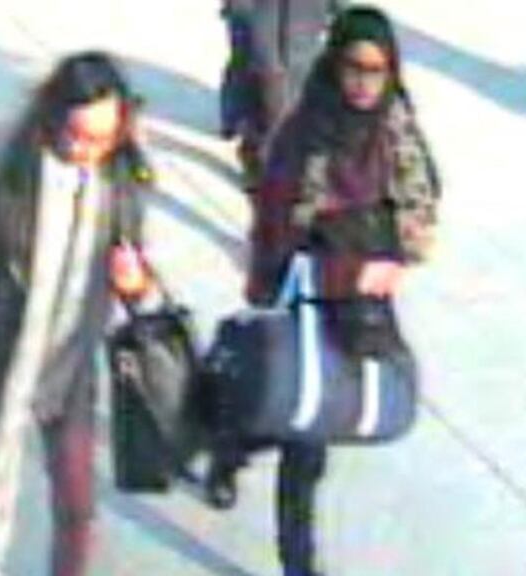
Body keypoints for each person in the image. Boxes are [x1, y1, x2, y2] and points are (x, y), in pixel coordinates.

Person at [207, 6, 441, 575]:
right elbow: (276, 212)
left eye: (377, 70)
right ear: (334, 64)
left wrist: (399, 258)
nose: (364, 82)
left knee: (329, 413)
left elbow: (422, 205)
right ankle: (298, 563)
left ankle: (232, 444)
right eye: (354, 68)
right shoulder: (304, 128)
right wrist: (277, 274)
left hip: (365, 300)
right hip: (306, 292)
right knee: (304, 432)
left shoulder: (397, 127)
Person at [0, 51, 156, 576]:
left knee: (78, 508)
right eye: (77, 135)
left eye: (102, 139)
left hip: (69, 372)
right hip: (0, 366)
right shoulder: (8, 176)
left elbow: (136, 281)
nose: (87, 150)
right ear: (51, 116)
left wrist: (136, 284)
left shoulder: (122, 179)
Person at [220, 0, 345, 188]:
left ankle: (286, 151)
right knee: (263, 73)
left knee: (298, 75)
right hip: (260, 16)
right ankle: (259, 152)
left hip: (305, 19)